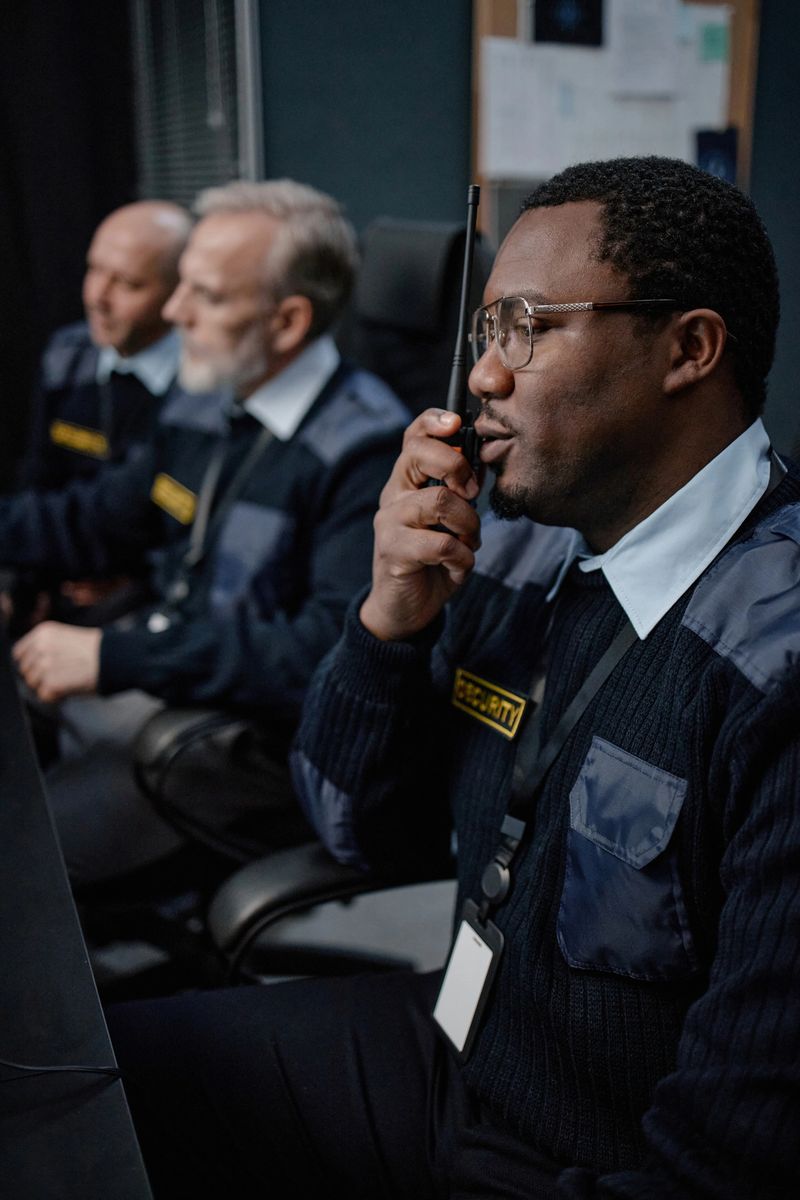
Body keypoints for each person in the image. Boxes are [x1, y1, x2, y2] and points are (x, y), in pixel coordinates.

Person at [108, 157, 800, 1199]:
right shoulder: (507, 552)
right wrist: (388, 619)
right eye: (486, 331)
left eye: (526, 325)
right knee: (84, 1080)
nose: (483, 374)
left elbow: (730, 1164)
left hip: (589, 1149)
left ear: (687, 349)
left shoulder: (771, 663)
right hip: (460, 1049)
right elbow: (353, 831)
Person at [1, 179, 409, 891]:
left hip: (248, 745)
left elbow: (321, 653)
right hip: (172, 685)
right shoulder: (205, 395)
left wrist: (121, 655)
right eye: (180, 284)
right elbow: (94, 519)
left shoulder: (364, 453)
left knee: (23, 873)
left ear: (286, 322)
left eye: (207, 296)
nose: (172, 311)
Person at [8, 200, 192, 631]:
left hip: (151, 599)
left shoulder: (203, 387)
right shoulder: (67, 355)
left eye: (127, 283)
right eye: (94, 270)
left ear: (178, 294)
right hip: (60, 566)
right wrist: (24, 584)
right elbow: (39, 475)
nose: (97, 297)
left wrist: (137, 582)